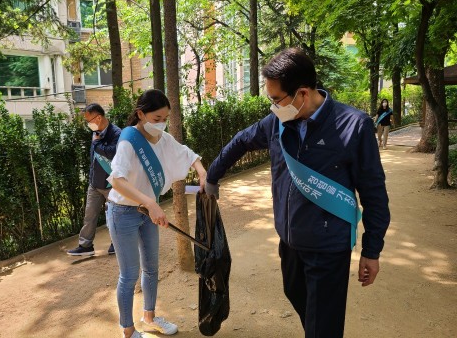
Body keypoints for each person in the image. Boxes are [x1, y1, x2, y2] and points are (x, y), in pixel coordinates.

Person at [204, 47, 390, 338]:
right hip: (289, 242)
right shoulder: (277, 123)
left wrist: (372, 250)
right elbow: (241, 141)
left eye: (277, 99)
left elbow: (374, 193)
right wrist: (212, 176)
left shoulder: (354, 126)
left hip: (328, 246)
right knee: (295, 294)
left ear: (303, 93)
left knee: (322, 325)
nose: (273, 107)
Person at [106, 89, 207, 338]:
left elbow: (188, 153)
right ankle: (128, 330)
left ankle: (149, 317)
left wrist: (203, 173)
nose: (161, 124)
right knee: (129, 275)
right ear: (141, 114)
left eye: (165, 119)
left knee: (151, 269)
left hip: (147, 212)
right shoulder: (129, 140)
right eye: (156, 118)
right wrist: (150, 204)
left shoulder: (162, 138)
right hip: (123, 214)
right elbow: (117, 180)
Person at [67, 103, 121, 256]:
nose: (87, 124)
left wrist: (96, 144)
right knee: (89, 215)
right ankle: (85, 246)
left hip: (112, 184)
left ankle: (116, 243)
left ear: (98, 118)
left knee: (113, 215)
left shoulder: (116, 133)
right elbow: (94, 158)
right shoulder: (95, 132)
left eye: (88, 120)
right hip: (95, 183)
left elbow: (113, 153)